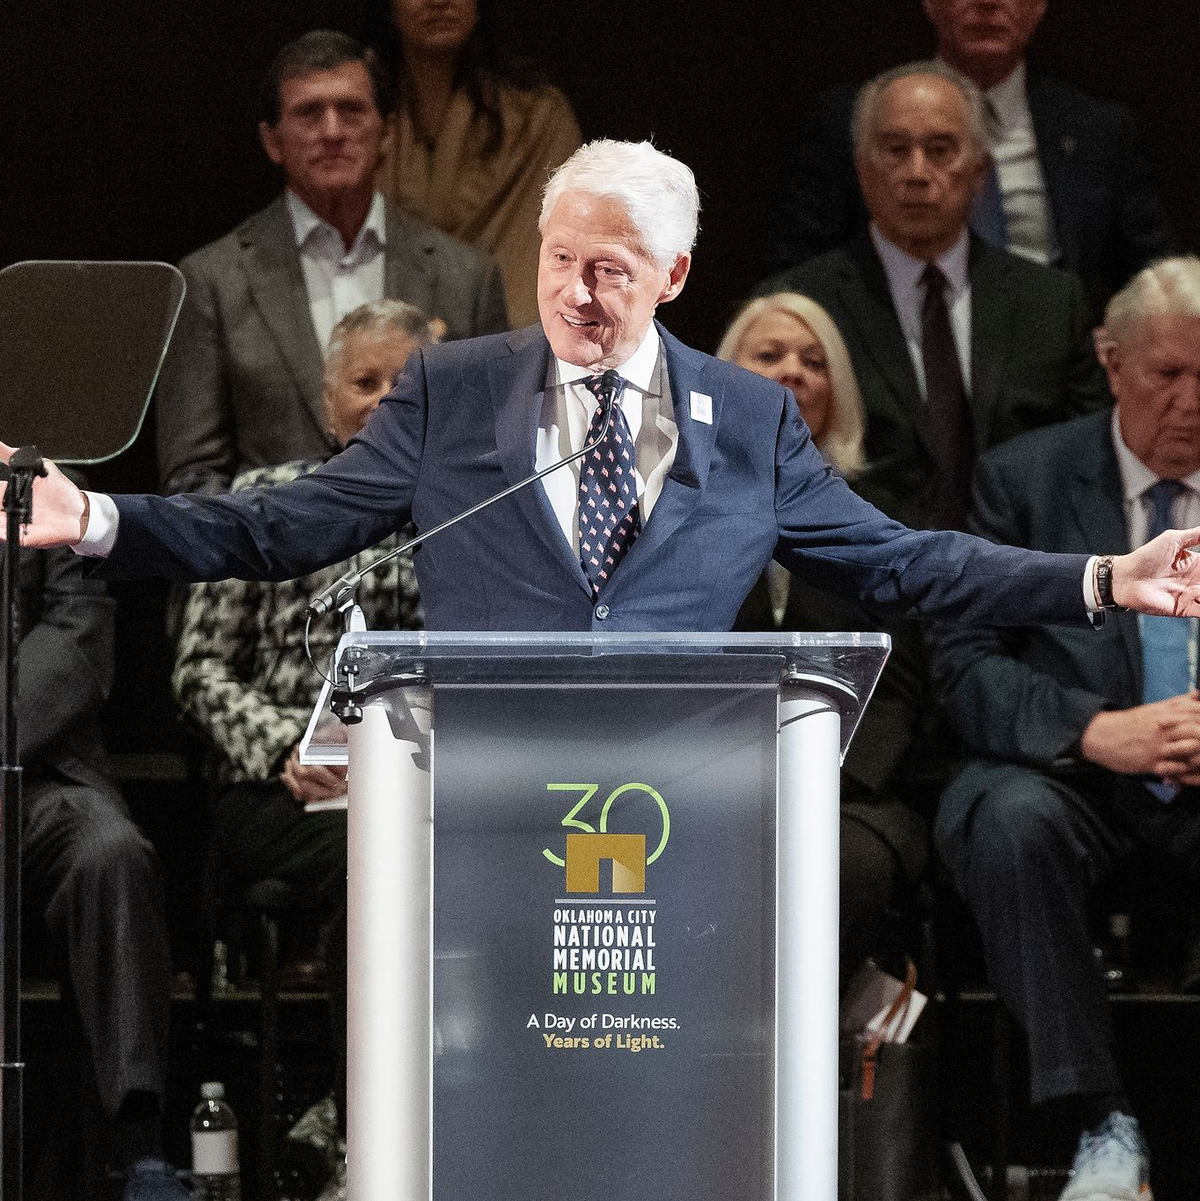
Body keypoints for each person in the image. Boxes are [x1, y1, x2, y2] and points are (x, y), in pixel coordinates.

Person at [3, 138, 1200, 669]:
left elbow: (904, 564)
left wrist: (1099, 579)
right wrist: (103, 522)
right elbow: (290, 526)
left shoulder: (749, 417)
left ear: (674, 277)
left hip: (684, 786)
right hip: (487, 781)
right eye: (558, 260)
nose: (576, 293)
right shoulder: (453, 390)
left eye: (611, 270)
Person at [930, 254, 1200, 1200]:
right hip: (1076, 784)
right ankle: (1101, 1120)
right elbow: (963, 669)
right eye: (1170, 374)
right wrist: (1097, 730)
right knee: (1005, 817)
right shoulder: (1025, 483)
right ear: (1113, 362)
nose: (1192, 401)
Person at [171, 300, 434, 1196]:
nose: (386, 398)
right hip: (283, 786)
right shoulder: (261, 500)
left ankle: (376, 1116)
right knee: (385, 862)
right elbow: (199, 671)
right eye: (367, 382)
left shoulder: (470, 520)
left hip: (420, 781)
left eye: (407, 382)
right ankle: (368, 1136)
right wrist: (285, 743)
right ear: (329, 403)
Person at [155, 28, 508, 497]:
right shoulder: (211, 281)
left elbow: (494, 460)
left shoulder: (467, 278)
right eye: (307, 113)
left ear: (387, 130)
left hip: (425, 563)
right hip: (274, 565)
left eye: (352, 110)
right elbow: (192, 479)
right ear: (271, 141)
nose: (332, 131)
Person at [763, 61, 1111, 533]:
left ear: (979, 173)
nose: (917, 173)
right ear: (863, 171)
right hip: (861, 582)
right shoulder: (801, 306)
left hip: (1023, 574)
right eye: (895, 150)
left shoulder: (1051, 303)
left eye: (940, 150)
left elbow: (1088, 461)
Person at [719, 294, 926, 985]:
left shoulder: (878, 515)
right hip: (712, 778)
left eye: (814, 361)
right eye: (769, 355)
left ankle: (808, 1065)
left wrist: (820, 770)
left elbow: (900, 680)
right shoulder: (674, 507)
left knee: (842, 865)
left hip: (850, 790)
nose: (793, 372)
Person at [0, 489, 185, 1200]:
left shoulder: (37, 493)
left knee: (111, 853)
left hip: (44, 777)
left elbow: (76, 645)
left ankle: (138, 1142)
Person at [766, 0, 1177, 317]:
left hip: (1057, 368)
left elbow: (1156, 279)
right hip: (894, 357)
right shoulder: (854, 119)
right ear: (930, 3)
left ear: (1040, 6)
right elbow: (793, 281)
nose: (987, 3)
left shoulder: (1098, 130)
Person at [376, 0, 582, 327]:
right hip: (386, 342)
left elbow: (556, 261)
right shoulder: (357, 118)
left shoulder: (539, 118)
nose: (438, 2)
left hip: (512, 345)